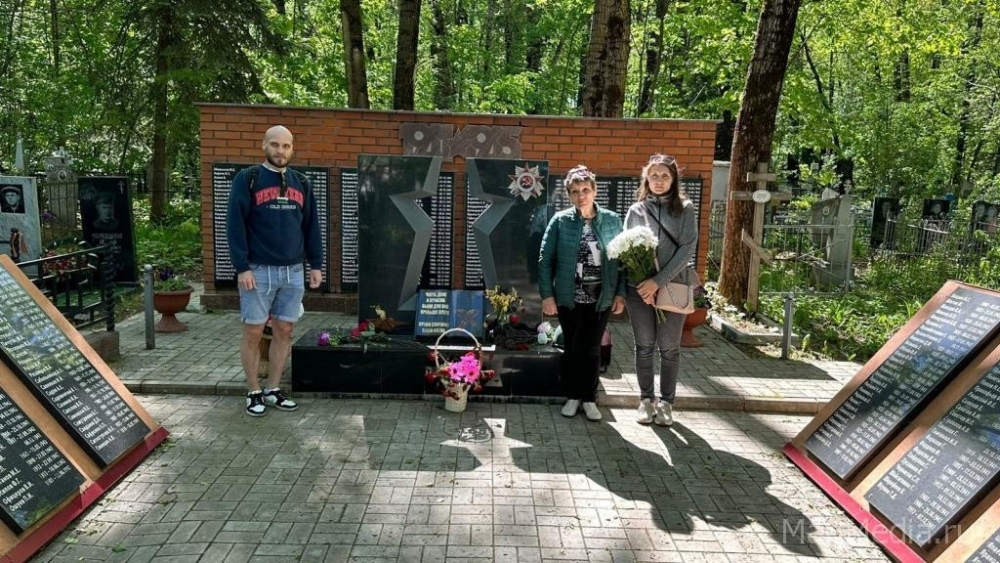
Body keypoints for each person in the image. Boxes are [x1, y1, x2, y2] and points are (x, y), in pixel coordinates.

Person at [227, 125, 323, 417]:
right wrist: (242, 267)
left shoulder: (301, 182)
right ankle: (254, 391)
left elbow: (311, 226)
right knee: (253, 332)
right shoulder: (248, 179)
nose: (280, 151)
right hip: (258, 271)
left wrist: (316, 264)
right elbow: (234, 224)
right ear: (264, 146)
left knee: (285, 330)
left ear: (292, 149)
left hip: (293, 271)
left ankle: (273, 389)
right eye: (275, 144)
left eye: (286, 146)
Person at [538, 165, 626, 422]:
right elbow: (545, 259)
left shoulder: (611, 220)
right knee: (573, 347)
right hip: (570, 297)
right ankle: (572, 396)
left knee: (592, 348)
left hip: (601, 298)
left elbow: (623, 260)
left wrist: (620, 293)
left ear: (595, 190)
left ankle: (589, 398)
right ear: (569, 195)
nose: (581, 196)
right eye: (575, 191)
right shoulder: (560, 221)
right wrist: (547, 295)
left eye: (585, 189)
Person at [624, 154, 697, 427]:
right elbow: (628, 249)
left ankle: (666, 403)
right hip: (639, 291)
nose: (659, 180)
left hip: (673, 287)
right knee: (644, 346)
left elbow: (686, 249)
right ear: (646, 178)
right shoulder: (636, 210)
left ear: (674, 179)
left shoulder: (685, 209)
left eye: (665, 175)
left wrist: (658, 281)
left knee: (669, 348)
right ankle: (646, 400)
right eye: (654, 175)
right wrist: (644, 284)